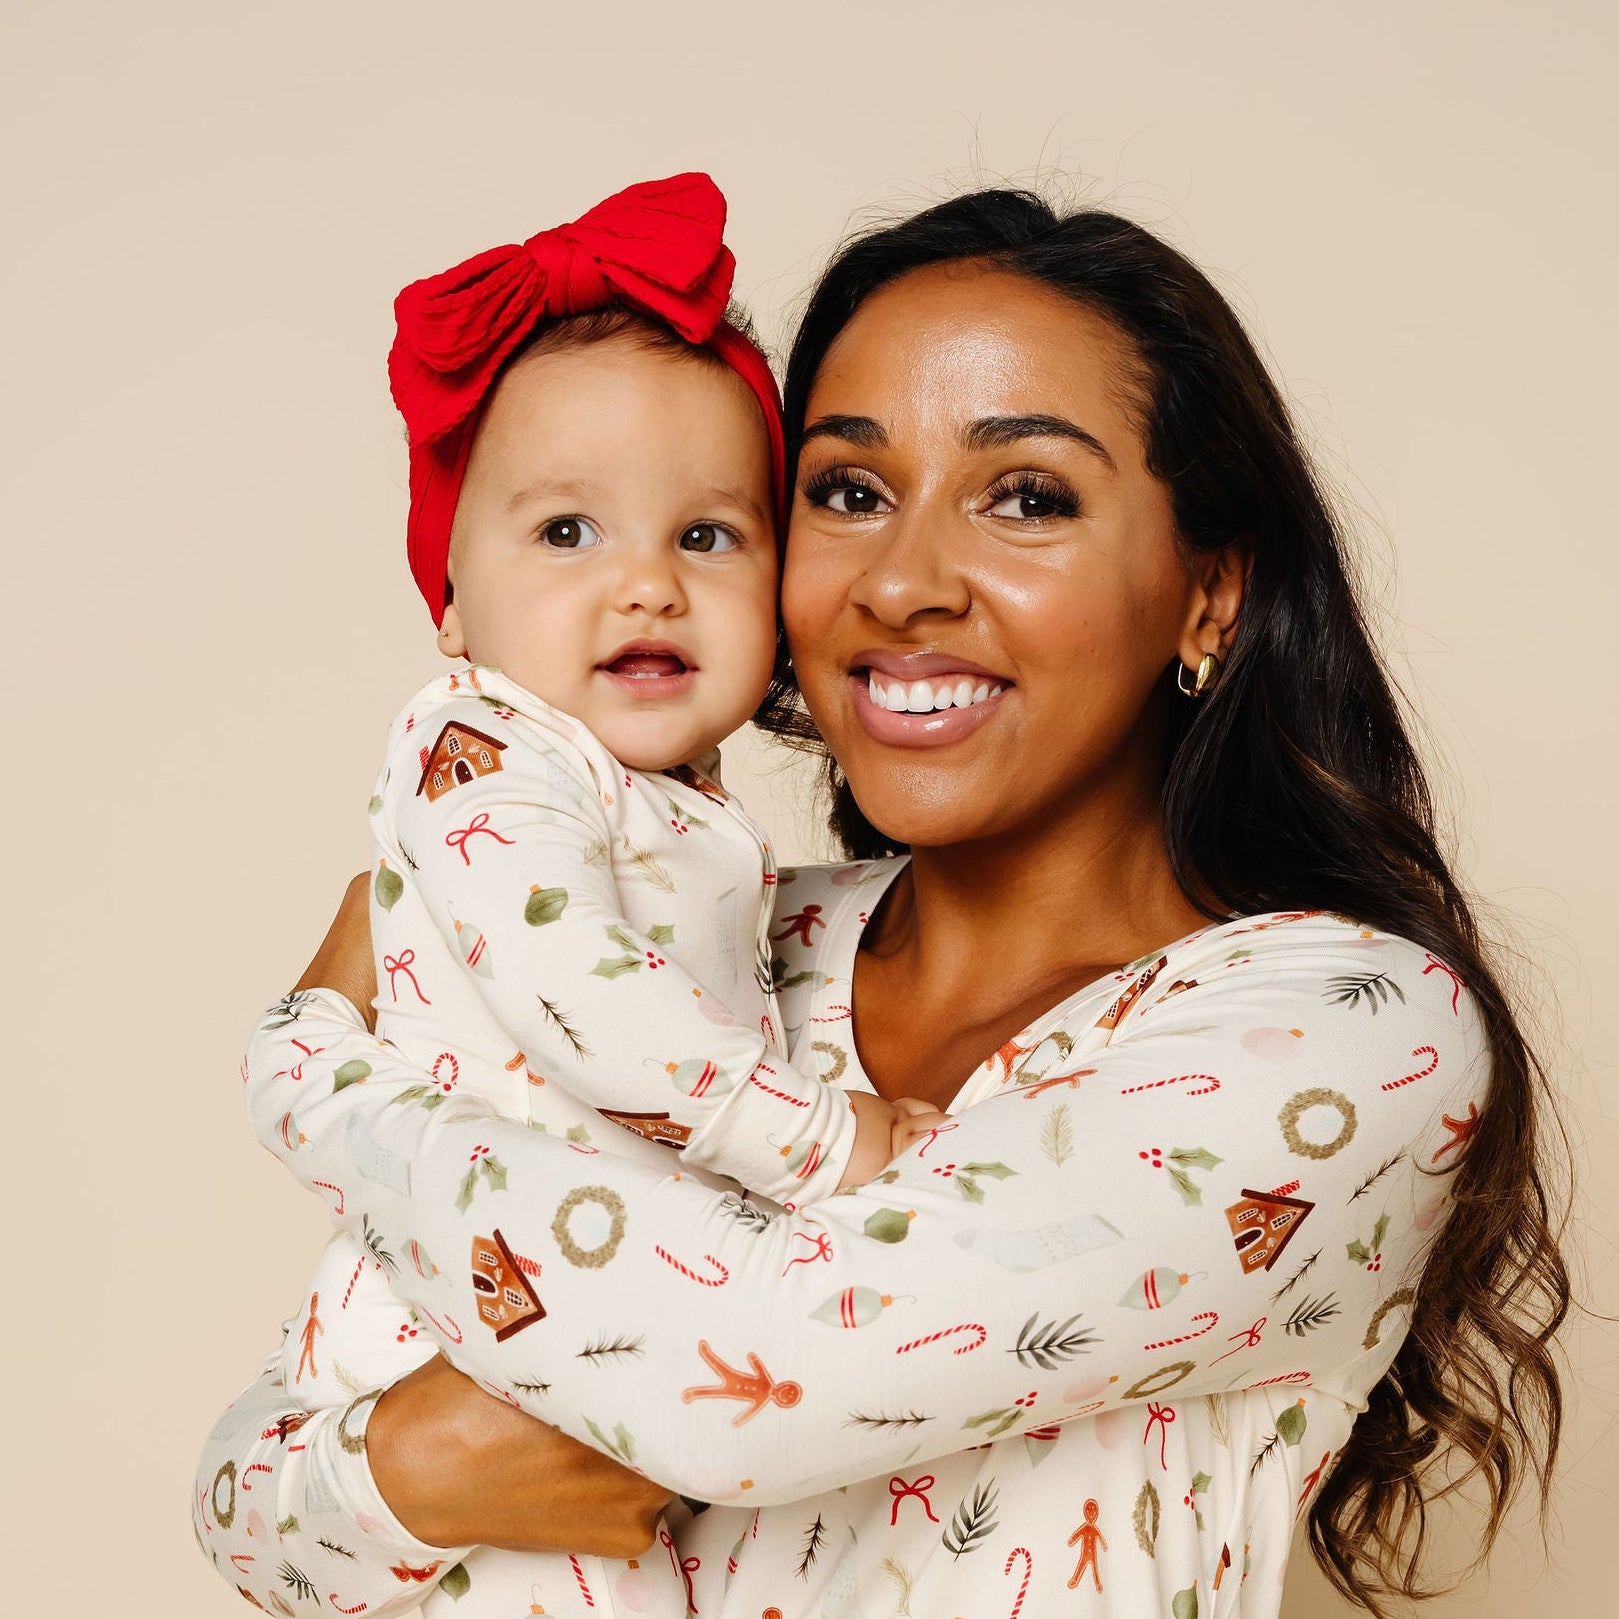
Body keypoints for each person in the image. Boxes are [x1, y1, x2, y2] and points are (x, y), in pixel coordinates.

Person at [195, 188, 1568, 1619]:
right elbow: (241, 1494)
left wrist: (315, 1079)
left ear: (1208, 593)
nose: (904, 582)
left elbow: (754, 1384)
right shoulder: (694, 954)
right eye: (848, 493)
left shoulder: (1338, 1035)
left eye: (1027, 496)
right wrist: (396, 1475)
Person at [242, 172, 950, 1619]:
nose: (643, 585)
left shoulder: (672, 814)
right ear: (449, 601)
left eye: (706, 535)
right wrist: (818, 1141)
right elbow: (589, 1006)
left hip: (578, 1323)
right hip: (460, 1331)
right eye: (566, 533)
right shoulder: (484, 756)